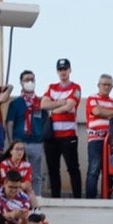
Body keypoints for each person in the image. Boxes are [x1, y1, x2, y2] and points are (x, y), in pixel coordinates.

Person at [40, 59, 82, 197]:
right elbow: (43, 105)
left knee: (73, 168)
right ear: (57, 71)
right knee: (53, 169)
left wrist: (54, 109)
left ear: (70, 70)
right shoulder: (51, 87)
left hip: (68, 135)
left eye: (65, 69)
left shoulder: (75, 87)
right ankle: (55, 198)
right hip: (52, 136)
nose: (63, 72)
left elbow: (69, 106)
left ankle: (77, 198)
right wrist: (60, 103)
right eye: (60, 69)